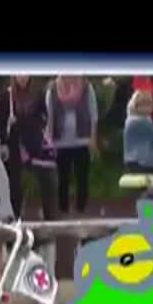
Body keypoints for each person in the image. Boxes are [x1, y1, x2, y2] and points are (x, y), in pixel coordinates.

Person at [0, 76, 58, 221]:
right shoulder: (6, 96)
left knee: (47, 177)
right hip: (15, 144)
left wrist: (28, 122)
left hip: (34, 142)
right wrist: (3, 142)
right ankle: (18, 216)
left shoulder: (38, 93)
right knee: (15, 183)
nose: (23, 77)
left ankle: (49, 217)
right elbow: (1, 122)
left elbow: (44, 117)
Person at [46, 76, 98, 218]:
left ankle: (81, 210)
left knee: (82, 178)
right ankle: (64, 211)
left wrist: (93, 138)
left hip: (82, 140)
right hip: (60, 142)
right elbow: (49, 115)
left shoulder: (86, 86)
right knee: (63, 178)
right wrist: (49, 141)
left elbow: (93, 114)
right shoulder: (53, 88)